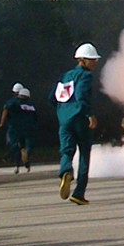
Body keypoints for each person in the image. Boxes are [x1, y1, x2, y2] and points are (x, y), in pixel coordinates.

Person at [49, 43, 101, 206]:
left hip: (64, 120)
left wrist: (63, 110)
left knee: (66, 151)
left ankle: (66, 171)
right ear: (83, 60)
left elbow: (52, 97)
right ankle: (79, 193)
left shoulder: (65, 76)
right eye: (92, 59)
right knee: (84, 155)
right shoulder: (85, 76)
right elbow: (80, 95)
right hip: (80, 119)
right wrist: (90, 115)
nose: (95, 62)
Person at [0, 88, 36, 173]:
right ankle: (26, 157)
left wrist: (1, 124)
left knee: (15, 146)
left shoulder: (13, 102)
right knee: (27, 146)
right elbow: (35, 118)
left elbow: (6, 110)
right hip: (29, 129)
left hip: (15, 129)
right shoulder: (31, 105)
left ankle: (17, 165)